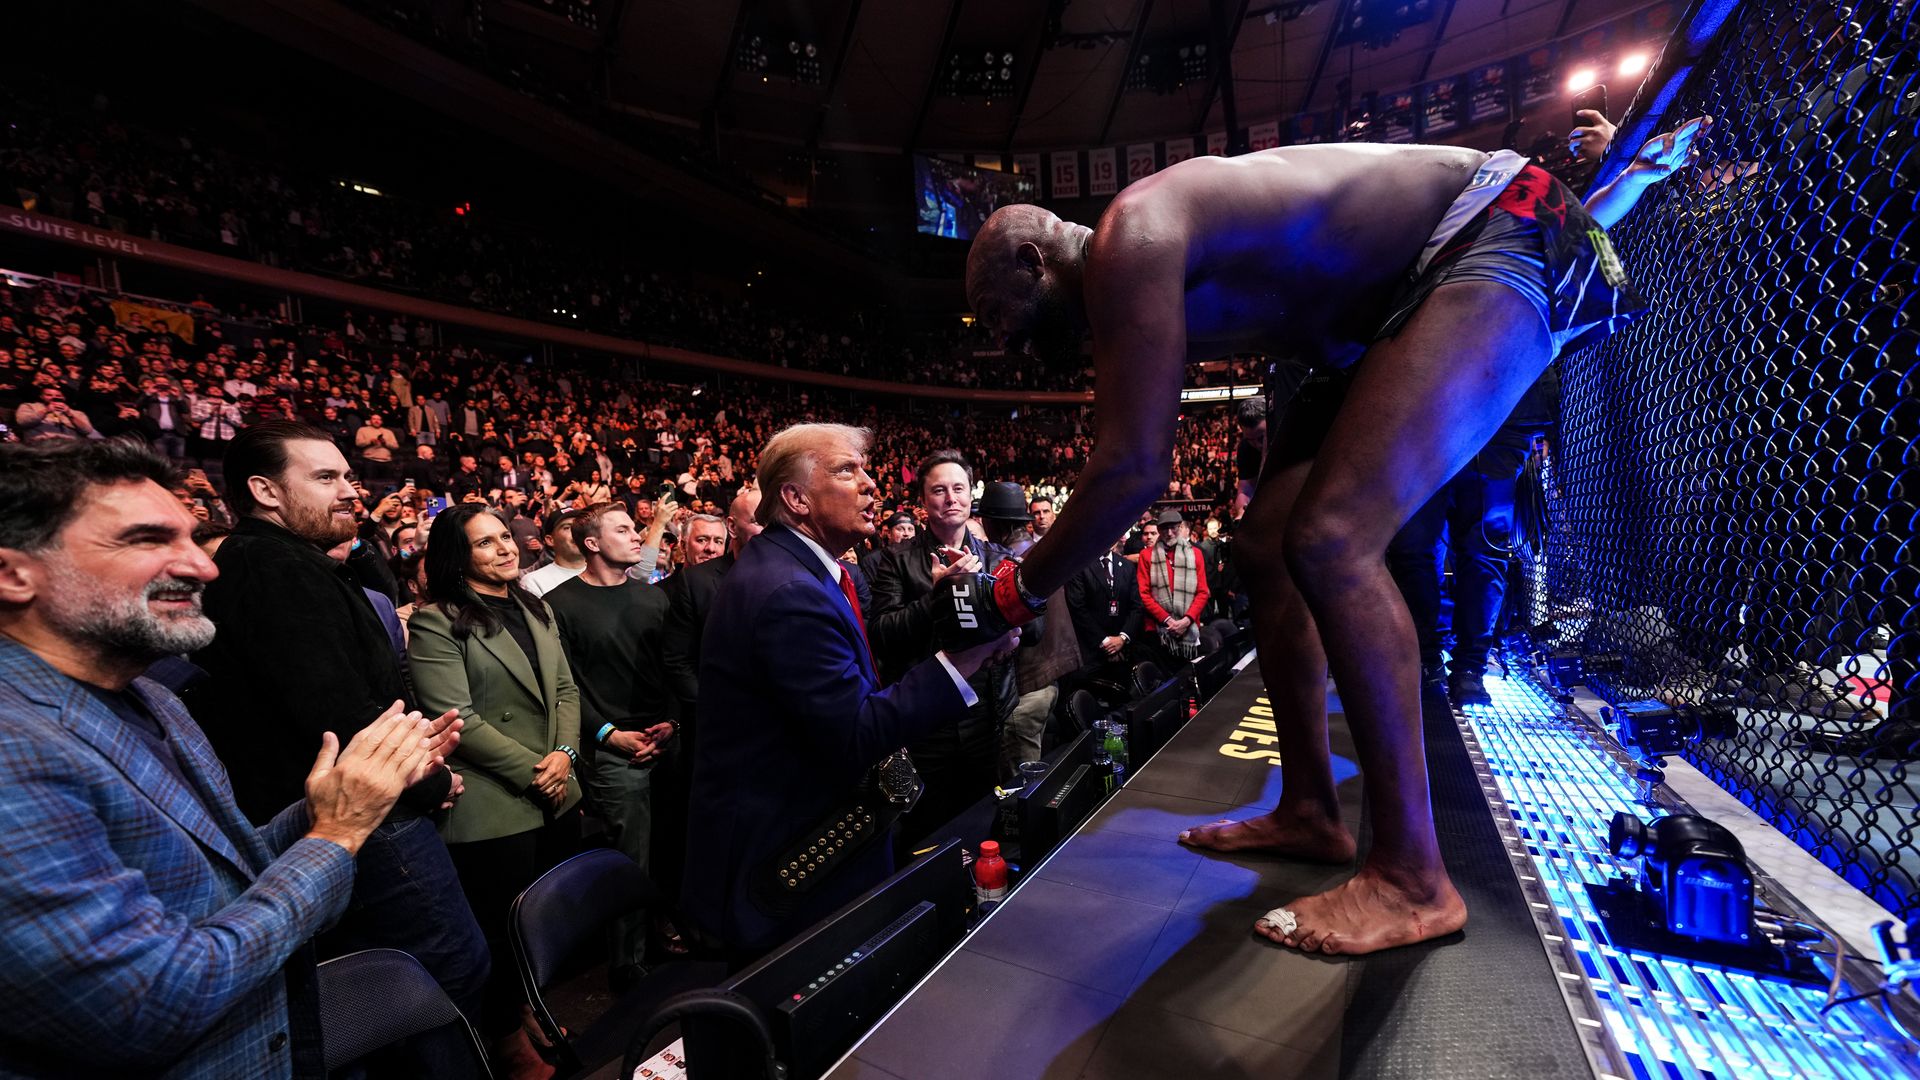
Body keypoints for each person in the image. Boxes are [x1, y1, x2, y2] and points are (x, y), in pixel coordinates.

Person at [961, 125, 1705, 954]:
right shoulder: (1134, 275)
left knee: (1333, 538)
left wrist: (1015, 590)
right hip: (1380, 313)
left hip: (1493, 231)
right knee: (1265, 548)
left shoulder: (1129, 236)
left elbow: (1134, 468)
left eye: (999, 317)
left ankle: (1413, 881)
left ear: (1035, 259)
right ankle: (1312, 810)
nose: (1004, 344)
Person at [0, 438, 454, 1078]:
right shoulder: (13, 750)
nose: (203, 567)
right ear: (15, 574)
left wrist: (338, 799)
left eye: (190, 537)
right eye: (146, 540)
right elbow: (151, 1002)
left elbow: (222, 877)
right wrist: (338, 834)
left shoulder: (153, 699)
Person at [190, 420, 489, 1023]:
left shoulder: (285, 561)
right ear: (266, 491)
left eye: (349, 475)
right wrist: (430, 781)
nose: (350, 489)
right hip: (366, 818)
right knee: (445, 972)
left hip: (359, 811)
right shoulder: (276, 568)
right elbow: (336, 716)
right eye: (326, 477)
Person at [682, 424, 1017, 960]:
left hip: (815, 842)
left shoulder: (806, 571)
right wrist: (969, 657)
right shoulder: (789, 590)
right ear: (794, 499)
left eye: (864, 469)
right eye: (847, 471)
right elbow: (857, 729)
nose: (871, 486)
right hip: (788, 863)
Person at [408, 503, 584, 1073]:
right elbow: (455, 716)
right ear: (458, 558)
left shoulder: (536, 607)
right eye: (485, 543)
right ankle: (506, 1041)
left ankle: (527, 1011)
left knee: (541, 926)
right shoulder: (437, 619)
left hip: (557, 788)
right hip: (495, 801)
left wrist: (565, 755)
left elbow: (565, 691)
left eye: (505, 536)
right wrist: (539, 769)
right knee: (500, 932)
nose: (505, 548)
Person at [544, 503, 676, 984]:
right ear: (593, 543)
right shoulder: (559, 604)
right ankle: (628, 964)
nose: (637, 535)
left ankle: (666, 935)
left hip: (665, 739)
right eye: (623, 529)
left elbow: (675, 670)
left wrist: (674, 724)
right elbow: (565, 684)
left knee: (672, 846)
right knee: (629, 857)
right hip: (611, 748)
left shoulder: (655, 598)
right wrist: (607, 733)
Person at [865, 450, 1019, 845]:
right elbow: (882, 633)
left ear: (971, 497)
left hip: (985, 714)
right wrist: (937, 595)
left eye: (958, 488)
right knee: (926, 830)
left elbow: (1033, 632)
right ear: (923, 501)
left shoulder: (997, 558)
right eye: (938, 490)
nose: (950, 498)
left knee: (982, 822)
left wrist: (1005, 621)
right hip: (926, 718)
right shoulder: (896, 560)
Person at [1137, 509, 1211, 662]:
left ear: (1180, 527)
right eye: (1165, 528)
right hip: (1159, 629)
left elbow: (1203, 592)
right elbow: (1144, 594)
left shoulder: (1195, 554)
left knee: (1188, 676)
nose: (1169, 533)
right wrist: (1168, 620)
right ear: (1159, 530)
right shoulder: (1147, 555)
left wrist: (1186, 620)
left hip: (1188, 627)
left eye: (1174, 528)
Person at [520, 507, 587, 597]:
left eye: (581, 525)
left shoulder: (606, 573)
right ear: (550, 540)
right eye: (567, 528)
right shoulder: (534, 582)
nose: (577, 531)